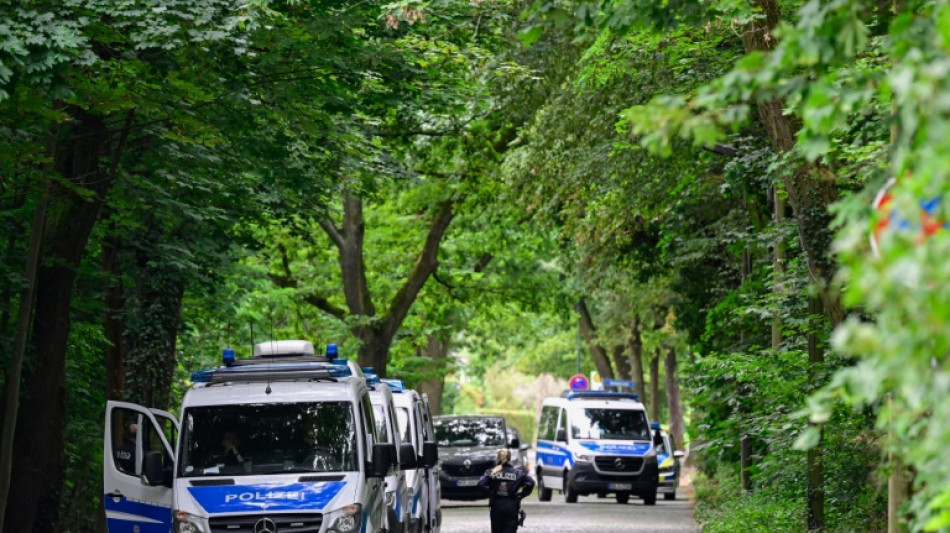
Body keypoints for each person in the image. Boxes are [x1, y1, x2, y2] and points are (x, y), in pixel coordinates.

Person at [478, 449, 535, 533]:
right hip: (511, 505)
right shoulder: (517, 473)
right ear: (509, 459)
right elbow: (531, 482)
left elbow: (481, 484)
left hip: (496, 506)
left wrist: (491, 493)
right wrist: (521, 495)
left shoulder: (491, 472)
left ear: (497, 458)